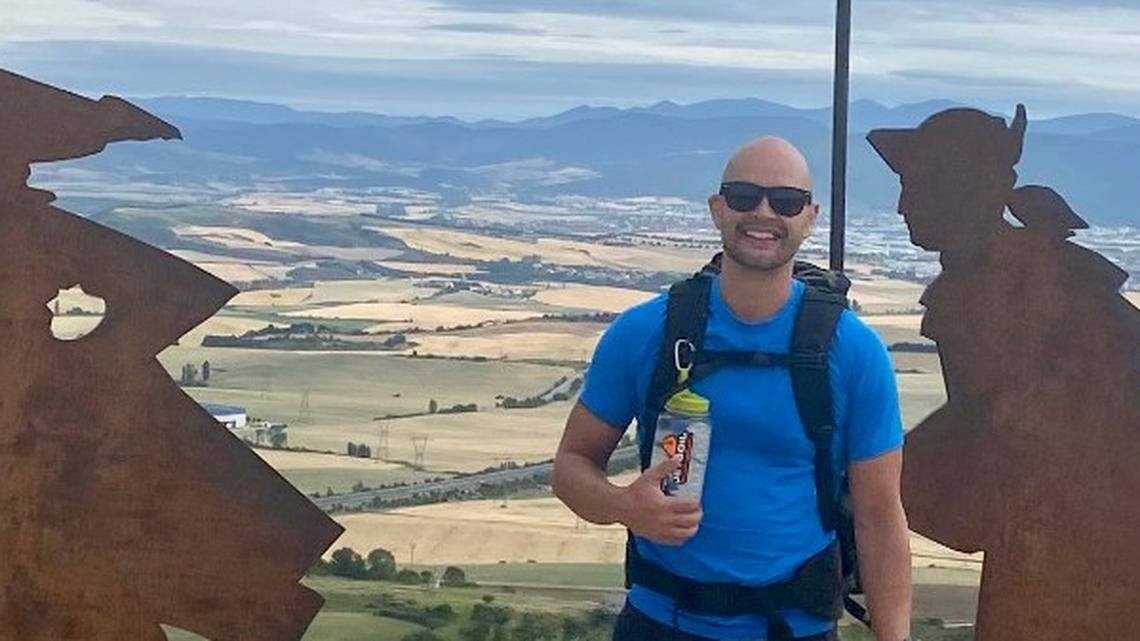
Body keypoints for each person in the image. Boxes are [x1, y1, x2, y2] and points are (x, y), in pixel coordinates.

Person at [553, 136, 912, 641]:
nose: (763, 213)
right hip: (661, 622)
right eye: (745, 196)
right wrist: (622, 506)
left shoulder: (853, 352)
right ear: (718, 209)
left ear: (810, 218)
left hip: (794, 628)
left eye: (785, 201)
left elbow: (880, 516)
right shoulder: (644, 333)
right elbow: (571, 466)